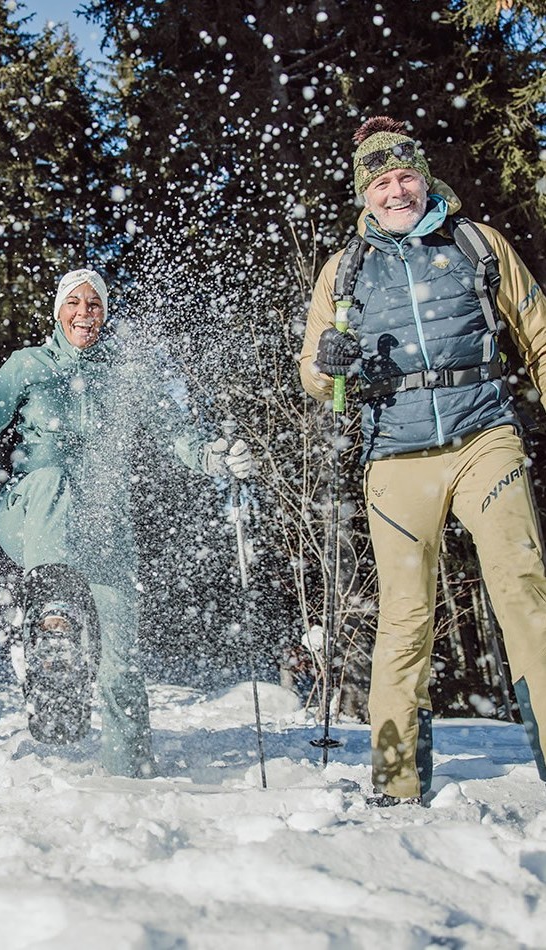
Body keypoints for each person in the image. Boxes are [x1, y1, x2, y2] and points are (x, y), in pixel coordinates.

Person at [0, 268, 252, 778]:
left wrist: (215, 458)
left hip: (103, 527)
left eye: (94, 305)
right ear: (57, 310)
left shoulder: (127, 372)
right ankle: (52, 625)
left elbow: (179, 433)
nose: (84, 313)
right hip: (31, 514)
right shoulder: (28, 366)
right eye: (74, 302)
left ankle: (128, 772)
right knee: (53, 480)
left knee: (121, 661)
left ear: (105, 313)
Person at [300, 116, 546, 806]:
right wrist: (328, 365)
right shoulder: (344, 271)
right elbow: (318, 382)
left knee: (523, 593)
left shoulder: (478, 245)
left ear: (426, 178)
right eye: (381, 181)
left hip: (484, 436)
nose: (396, 190)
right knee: (406, 616)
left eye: (406, 175)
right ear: (365, 194)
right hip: (396, 455)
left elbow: (538, 334)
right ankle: (397, 780)